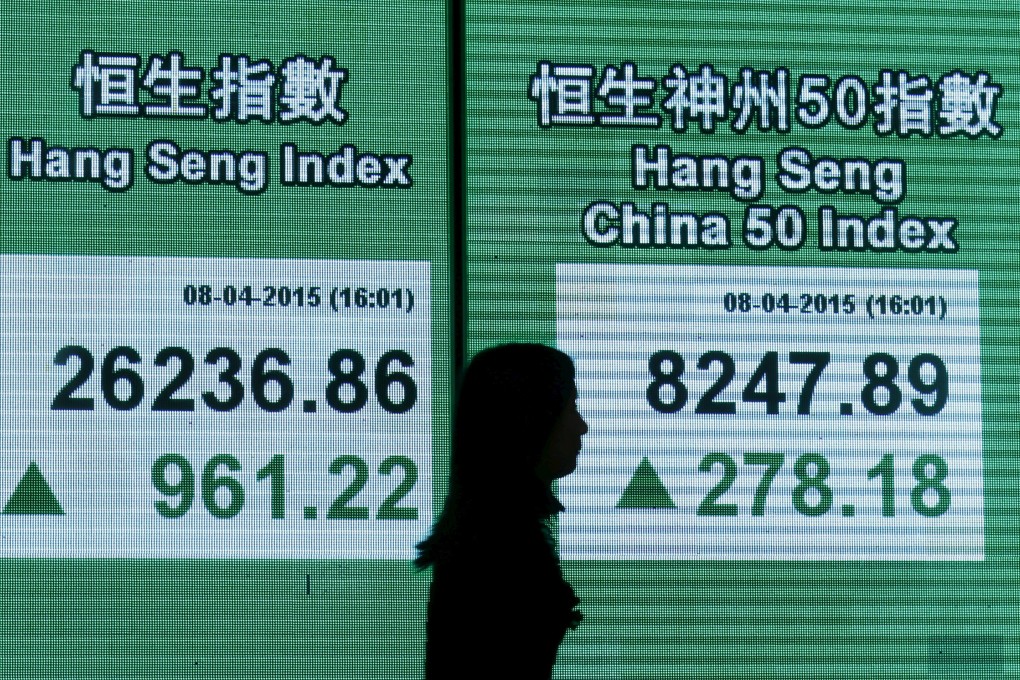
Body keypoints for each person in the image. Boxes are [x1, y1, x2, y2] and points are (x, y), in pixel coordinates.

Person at [415, 343, 588, 678]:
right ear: (534, 419)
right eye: (570, 409)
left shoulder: (480, 536)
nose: (581, 426)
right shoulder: (498, 549)